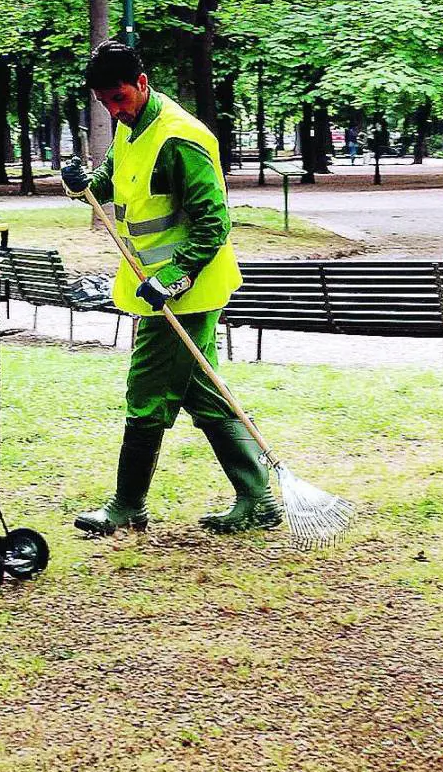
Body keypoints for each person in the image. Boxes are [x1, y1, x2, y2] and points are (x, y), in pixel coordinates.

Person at [61, 40, 282, 536]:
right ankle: (258, 498)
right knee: (203, 394)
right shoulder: (130, 127)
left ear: (142, 83)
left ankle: (126, 507)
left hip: (186, 290)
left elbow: (213, 223)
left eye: (118, 98)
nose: (112, 109)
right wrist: (80, 184)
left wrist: (174, 277)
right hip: (158, 288)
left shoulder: (181, 138)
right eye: (103, 102)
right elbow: (109, 185)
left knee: (145, 393)